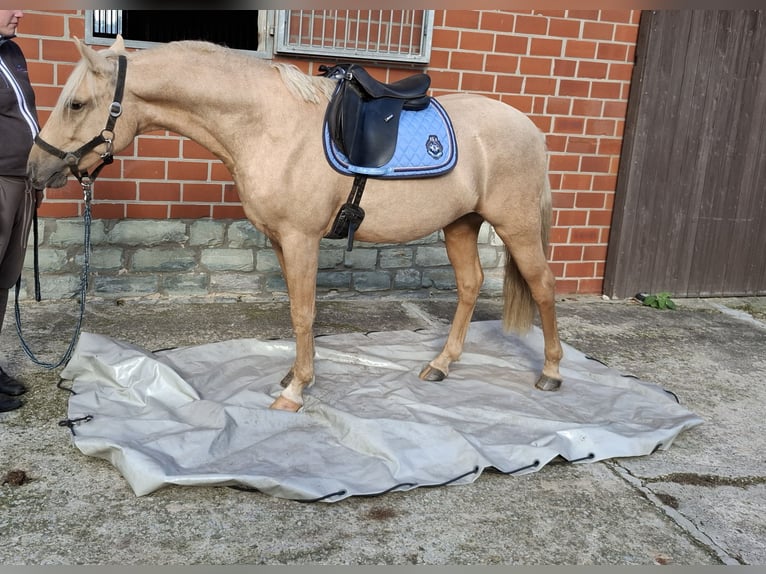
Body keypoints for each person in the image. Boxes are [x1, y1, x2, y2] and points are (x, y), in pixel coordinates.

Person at [0, 9, 40, 413]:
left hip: (20, 182)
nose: (18, 12)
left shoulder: (12, 52)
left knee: (3, 278)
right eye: (7, 5)